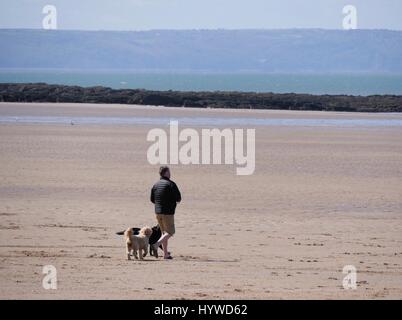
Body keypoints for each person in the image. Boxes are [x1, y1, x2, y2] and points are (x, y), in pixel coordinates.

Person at [150, 166, 181, 259]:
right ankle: (156, 245)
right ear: (166, 173)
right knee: (170, 232)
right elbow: (178, 198)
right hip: (168, 212)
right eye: (169, 172)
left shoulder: (155, 185)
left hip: (158, 212)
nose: (170, 173)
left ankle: (165, 254)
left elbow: (152, 199)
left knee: (164, 233)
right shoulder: (171, 184)